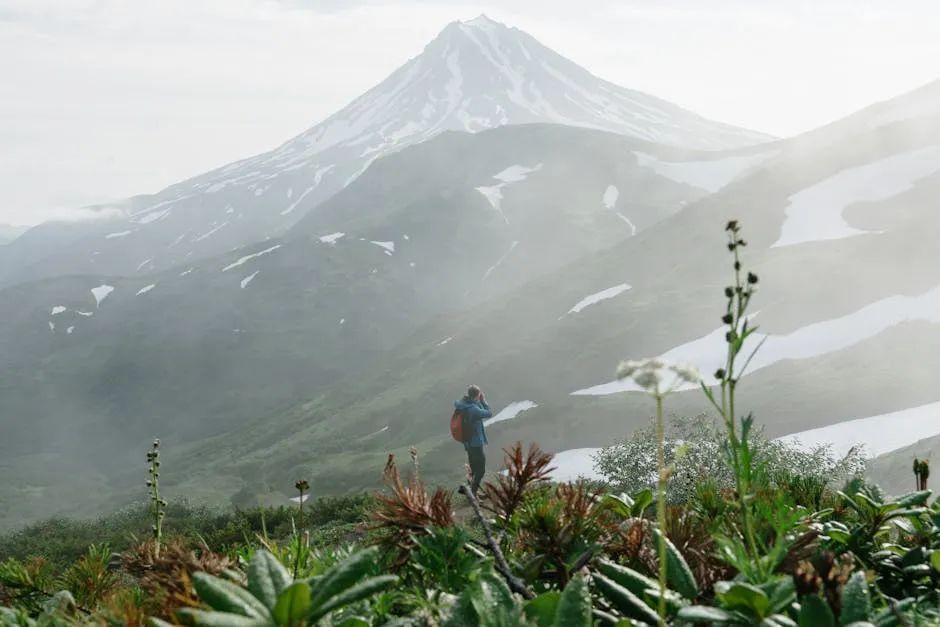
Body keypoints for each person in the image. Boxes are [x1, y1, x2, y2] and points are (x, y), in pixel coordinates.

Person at [454, 384, 492, 495]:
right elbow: (488, 413)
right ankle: (472, 493)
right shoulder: (473, 409)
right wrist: (483, 401)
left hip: (467, 443)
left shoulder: (463, 405)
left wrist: (476, 400)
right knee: (480, 470)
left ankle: (472, 491)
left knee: (474, 469)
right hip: (476, 444)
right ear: (477, 395)